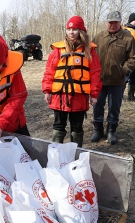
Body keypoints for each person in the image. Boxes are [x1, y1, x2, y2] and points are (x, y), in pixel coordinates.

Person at [41, 16, 102, 147]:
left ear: (81, 31)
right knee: (58, 126)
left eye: (75, 29)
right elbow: (49, 71)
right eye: (69, 29)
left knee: (77, 127)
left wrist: (94, 94)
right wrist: (47, 90)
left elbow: (95, 73)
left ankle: (75, 154)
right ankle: (56, 153)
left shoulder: (89, 51)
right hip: (60, 96)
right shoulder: (58, 50)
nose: (71, 32)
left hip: (79, 96)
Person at [91, 11, 135, 145]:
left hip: (118, 80)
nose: (112, 25)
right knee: (97, 105)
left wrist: (123, 71)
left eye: (115, 22)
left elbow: (134, 58)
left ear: (120, 22)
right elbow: (91, 56)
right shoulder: (98, 37)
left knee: (114, 106)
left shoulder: (128, 38)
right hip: (99, 80)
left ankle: (111, 131)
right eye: (110, 22)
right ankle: (98, 129)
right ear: (106, 22)